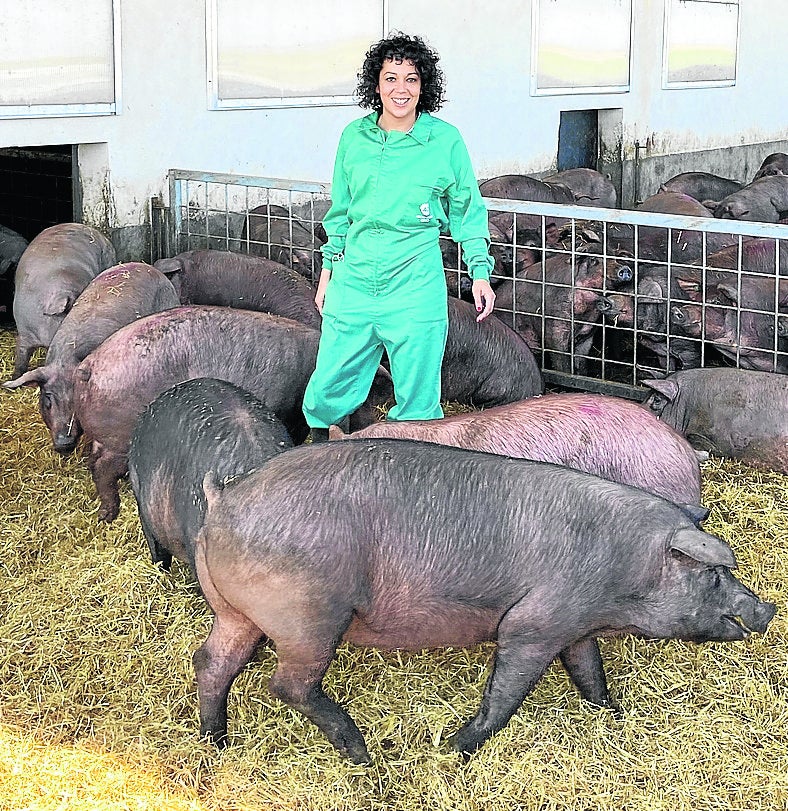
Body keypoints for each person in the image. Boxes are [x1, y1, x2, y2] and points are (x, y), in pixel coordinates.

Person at [302, 33, 496, 442]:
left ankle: (413, 472)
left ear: (424, 86)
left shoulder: (444, 140)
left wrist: (480, 271)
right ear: (376, 84)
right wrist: (328, 271)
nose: (400, 89)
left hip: (414, 278)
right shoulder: (354, 137)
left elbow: (467, 209)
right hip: (355, 274)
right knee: (331, 377)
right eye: (391, 78)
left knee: (419, 388)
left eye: (411, 79)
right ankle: (317, 451)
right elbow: (341, 211)